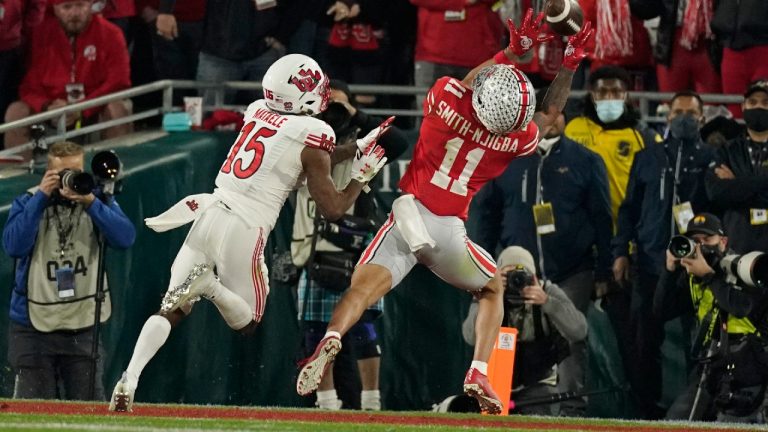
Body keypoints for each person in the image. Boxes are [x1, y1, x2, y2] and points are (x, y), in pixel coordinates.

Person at [296, 10, 595, 414]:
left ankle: (332, 336)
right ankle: (478, 372)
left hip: (408, 214)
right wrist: (570, 64)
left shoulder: (445, 95)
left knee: (360, 291)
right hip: (448, 231)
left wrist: (510, 53)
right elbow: (548, 114)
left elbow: (473, 82)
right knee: (492, 291)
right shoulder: (514, 141)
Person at [108, 54, 390, 412]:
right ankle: (208, 285)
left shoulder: (258, 110)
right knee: (249, 323)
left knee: (172, 306)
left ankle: (129, 378)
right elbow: (332, 208)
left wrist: (356, 148)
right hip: (245, 227)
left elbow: (296, 156)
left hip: (210, 214)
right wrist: (361, 176)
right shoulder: (316, 133)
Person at [471, 89, 612, 416]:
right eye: (542, 112)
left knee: (570, 338)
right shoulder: (504, 158)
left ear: (565, 116)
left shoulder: (586, 160)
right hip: (514, 272)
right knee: (504, 337)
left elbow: (603, 219)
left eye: (557, 112)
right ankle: (501, 405)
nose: (550, 119)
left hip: (571, 270)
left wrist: (604, 271)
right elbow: (487, 216)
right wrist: (481, 266)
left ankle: (572, 412)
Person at [292, 79, 409, 410]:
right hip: (315, 240)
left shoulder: (365, 140)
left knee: (364, 323)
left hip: (357, 240)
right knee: (314, 327)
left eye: (340, 106)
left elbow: (398, 142)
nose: (335, 113)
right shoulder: (306, 137)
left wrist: (356, 116)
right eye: (330, 106)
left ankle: (371, 399)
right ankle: (326, 399)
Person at [2, 141, 136, 400]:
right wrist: (41, 197)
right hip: (33, 327)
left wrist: (92, 203)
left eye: (76, 171)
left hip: (82, 325)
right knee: (34, 418)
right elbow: (13, 246)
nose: (71, 179)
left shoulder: (97, 201)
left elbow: (125, 238)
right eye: (63, 173)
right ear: (49, 174)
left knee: (89, 414)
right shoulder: (29, 201)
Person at [612, 91, 716, 419]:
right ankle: (648, 412)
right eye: (678, 111)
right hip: (651, 262)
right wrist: (621, 253)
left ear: (701, 117)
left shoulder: (712, 158)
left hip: (696, 267)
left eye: (691, 112)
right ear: (667, 116)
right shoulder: (648, 156)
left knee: (699, 342)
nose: (684, 117)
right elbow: (629, 210)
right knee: (645, 342)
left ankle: (698, 411)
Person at [654, 213, 768, 422]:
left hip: (748, 368)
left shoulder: (742, 268)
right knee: (676, 422)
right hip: (711, 368)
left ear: (723, 242)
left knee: (729, 424)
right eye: (695, 241)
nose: (701, 246)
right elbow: (661, 311)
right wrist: (669, 270)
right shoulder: (692, 276)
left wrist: (709, 276)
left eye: (708, 240)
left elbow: (741, 307)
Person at [461, 246, 587, 416]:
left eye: (521, 275)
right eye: (508, 275)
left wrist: (548, 302)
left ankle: (572, 409)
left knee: (536, 420)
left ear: (533, 276)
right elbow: (470, 337)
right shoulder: (489, 293)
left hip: (536, 383)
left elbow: (579, 331)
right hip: (494, 382)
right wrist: (489, 296)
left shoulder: (546, 291)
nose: (516, 281)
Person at [3, 0, 132, 148]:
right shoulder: (41, 35)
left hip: (94, 106)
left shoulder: (112, 33)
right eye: (67, 7)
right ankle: (19, 170)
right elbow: (29, 86)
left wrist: (82, 108)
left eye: (80, 5)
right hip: (53, 108)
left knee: (117, 108)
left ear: (91, 5)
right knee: (16, 111)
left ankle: (116, 165)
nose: (74, 13)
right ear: (56, 9)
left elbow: (119, 81)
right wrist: (47, 106)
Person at [564, 65, 662, 226]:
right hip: (581, 231)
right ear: (592, 96)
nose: (609, 98)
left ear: (626, 96)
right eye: (602, 92)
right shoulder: (573, 129)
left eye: (616, 93)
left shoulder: (645, 138)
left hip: (625, 232)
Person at [706, 79, 768, 255]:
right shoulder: (727, 150)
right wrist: (763, 182)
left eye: (766, 103)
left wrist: (736, 183)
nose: (759, 107)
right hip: (737, 244)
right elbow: (716, 192)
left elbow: (730, 192)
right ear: (743, 107)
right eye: (753, 102)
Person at [629, 0, 721, 94]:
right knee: (670, 104)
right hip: (672, 48)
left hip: (708, 46)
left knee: (712, 106)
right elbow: (648, 9)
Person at [0, 0, 46, 148]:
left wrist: (27, 32)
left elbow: (36, 7)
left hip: (10, 50)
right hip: (12, 43)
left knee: (7, 106)